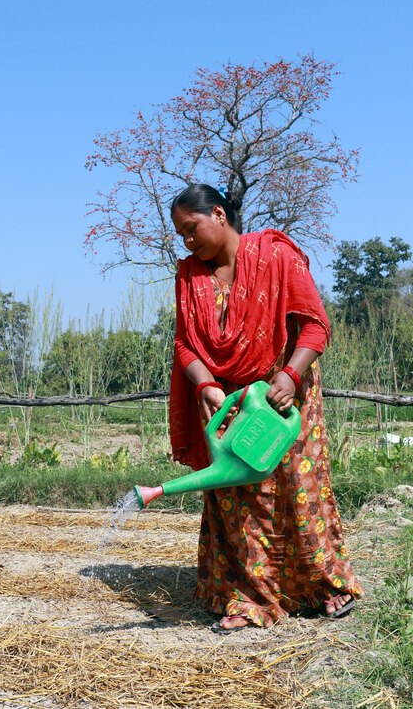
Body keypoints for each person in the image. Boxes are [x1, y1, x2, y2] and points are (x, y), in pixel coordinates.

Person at [168, 183, 363, 634]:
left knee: (300, 489)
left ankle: (323, 586)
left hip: (283, 398)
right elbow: (184, 344)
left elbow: (314, 326)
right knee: (239, 498)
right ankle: (249, 596)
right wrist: (206, 385)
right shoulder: (189, 277)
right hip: (227, 402)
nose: (188, 241)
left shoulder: (275, 256)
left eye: (191, 228)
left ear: (219, 214)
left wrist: (290, 376)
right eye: (180, 234)